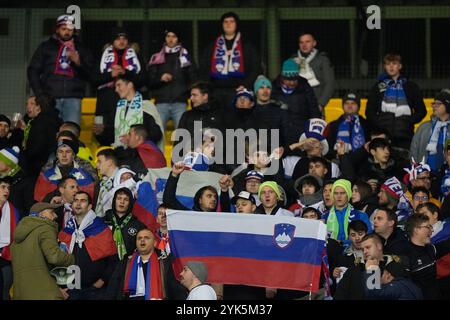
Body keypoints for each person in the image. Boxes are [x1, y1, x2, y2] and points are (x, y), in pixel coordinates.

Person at [27, 15, 94, 124]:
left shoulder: (82, 49)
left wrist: (78, 62)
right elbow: (32, 70)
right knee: (50, 134)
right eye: (64, 29)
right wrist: (40, 94)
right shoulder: (46, 47)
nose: (67, 32)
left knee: (71, 133)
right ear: (57, 29)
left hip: (73, 98)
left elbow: (91, 75)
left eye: (70, 29)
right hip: (50, 98)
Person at [58, 191, 118, 300]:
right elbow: (60, 260)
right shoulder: (67, 229)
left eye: (83, 201)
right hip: (71, 289)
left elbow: (113, 260)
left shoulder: (101, 228)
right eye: (76, 200)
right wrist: (62, 286)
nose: (78, 203)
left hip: (95, 290)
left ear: (90, 206)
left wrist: (101, 281)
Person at [10, 202, 75, 300]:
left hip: (21, 293)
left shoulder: (16, 239)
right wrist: (71, 258)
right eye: (51, 212)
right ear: (41, 214)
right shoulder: (45, 228)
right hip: (45, 294)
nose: (56, 216)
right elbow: (54, 257)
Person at [93, 28, 144, 146]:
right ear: (112, 42)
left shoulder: (136, 57)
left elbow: (143, 80)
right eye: (117, 38)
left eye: (124, 38)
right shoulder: (103, 56)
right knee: (102, 133)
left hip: (129, 103)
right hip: (105, 101)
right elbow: (93, 79)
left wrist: (125, 73)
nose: (121, 41)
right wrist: (110, 75)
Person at [199, 12, 261, 109]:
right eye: (225, 22)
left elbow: (256, 67)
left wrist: (245, 84)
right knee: (214, 121)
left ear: (237, 24)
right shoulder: (212, 46)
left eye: (232, 21)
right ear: (221, 25)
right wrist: (209, 86)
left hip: (238, 91)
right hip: (215, 91)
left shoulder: (247, 45)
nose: (228, 24)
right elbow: (203, 66)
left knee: (235, 121)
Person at [365, 53, 426, 150]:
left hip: (405, 136)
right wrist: (379, 125)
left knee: (405, 164)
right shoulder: (377, 87)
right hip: (383, 137)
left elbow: (421, 111)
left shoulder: (411, 86)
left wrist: (408, 121)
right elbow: (369, 111)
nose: (391, 66)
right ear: (385, 66)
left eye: (394, 63)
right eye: (388, 64)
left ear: (400, 66)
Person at [148, 28, 198, 130]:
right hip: (161, 103)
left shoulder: (186, 57)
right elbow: (149, 81)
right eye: (168, 36)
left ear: (178, 39)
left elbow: (194, 78)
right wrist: (160, 79)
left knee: (182, 136)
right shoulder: (156, 57)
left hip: (181, 102)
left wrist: (187, 94)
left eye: (174, 36)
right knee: (157, 135)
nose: (170, 39)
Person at [105, 228, 165, 300]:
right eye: (139, 238)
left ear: (155, 243)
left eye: (146, 238)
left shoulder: (163, 262)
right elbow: (112, 289)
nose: (142, 240)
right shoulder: (125, 263)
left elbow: (172, 289)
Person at [404, 214, 450, 299]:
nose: (431, 230)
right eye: (428, 227)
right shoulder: (405, 255)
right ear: (416, 229)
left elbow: (446, 245)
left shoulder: (430, 249)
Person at [271, 58, 321, 136]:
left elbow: (313, 109)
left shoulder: (305, 87)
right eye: (288, 80)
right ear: (282, 78)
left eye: (294, 80)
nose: (292, 83)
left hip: (301, 131)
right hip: (279, 132)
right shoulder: (273, 88)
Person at [113, 74, 164, 150]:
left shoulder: (146, 106)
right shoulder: (117, 108)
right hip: (122, 156)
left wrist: (134, 139)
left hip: (141, 156)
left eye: (119, 85)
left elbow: (157, 134)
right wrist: (101, 132)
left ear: (130, 85)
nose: (116, 89)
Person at [19, 95, 62, 177]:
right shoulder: (32, 120)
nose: (28, 107)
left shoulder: (41, 122)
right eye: (27, 104)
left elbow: (36, 147)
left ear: (40, 107)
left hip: (38, 167)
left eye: (33, 104)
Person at [292, 32, 335, 114]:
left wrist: (321, 104)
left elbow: (330, 84)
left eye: (307, 42)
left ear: (314, 43)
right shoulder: (293, 60)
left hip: (316, 104)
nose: (304, 45)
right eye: (301, 42)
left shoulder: (322, 60)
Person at [410, 89, 450, 172]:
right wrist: (418, 172)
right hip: (426, 177)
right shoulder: (424, 127)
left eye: (438, 103)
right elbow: (413, 152)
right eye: (433, 103)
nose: (434, 106)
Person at [104, 188, 146, 260]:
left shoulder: (139, 226)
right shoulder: (103, 222)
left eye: (126, 199)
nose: (122, 202)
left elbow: (144, 248)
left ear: (130, 203)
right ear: (114, 201)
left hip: (128, 266)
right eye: (119, 198)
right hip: (104, 266)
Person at [327, 92, 371, 158]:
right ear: (343, 106)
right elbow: (328, 146)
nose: (349, 106)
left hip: (362, 161)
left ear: (358, 106)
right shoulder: (334, 125)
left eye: (353, 103)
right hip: (339, 161)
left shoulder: (366, 124)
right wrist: (335, 155)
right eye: (346, 103)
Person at [0, 178, 21, 300]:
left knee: (6, 286)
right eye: (3, 187)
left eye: (8, 188)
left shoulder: (15, 211)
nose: (6, 190)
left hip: (7, 255)